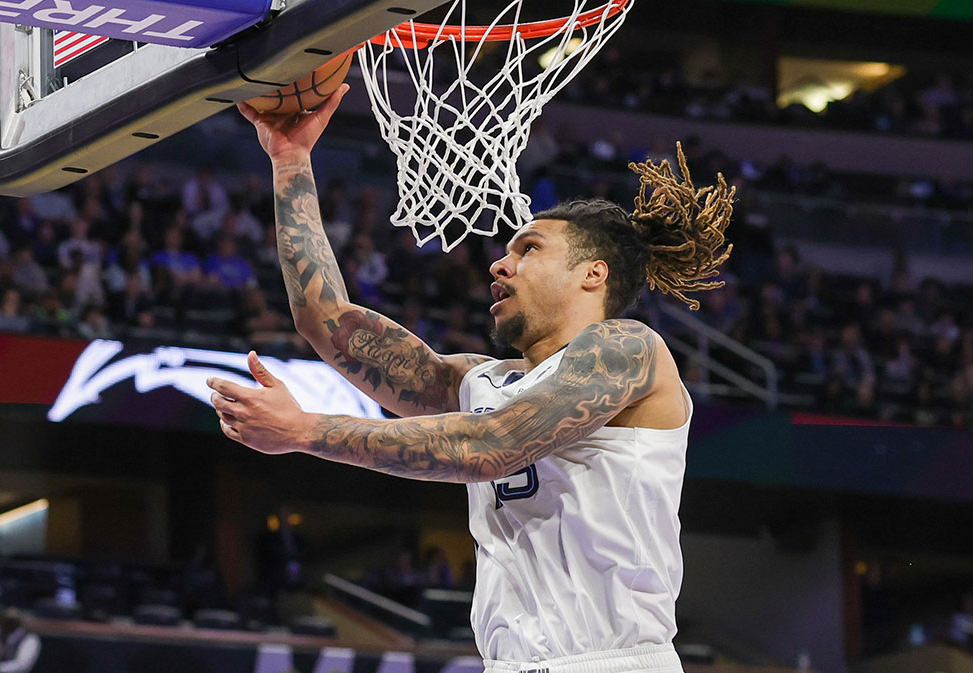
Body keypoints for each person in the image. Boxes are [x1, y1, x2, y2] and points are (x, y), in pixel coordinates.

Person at [210, 85, 734, 669]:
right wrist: (290, 161)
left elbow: (490, 446)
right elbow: (327, 322)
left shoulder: (628, 349)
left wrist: (306, 431)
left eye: (528, 248)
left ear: (593, 273)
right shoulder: (481, 383)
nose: (500, 263)